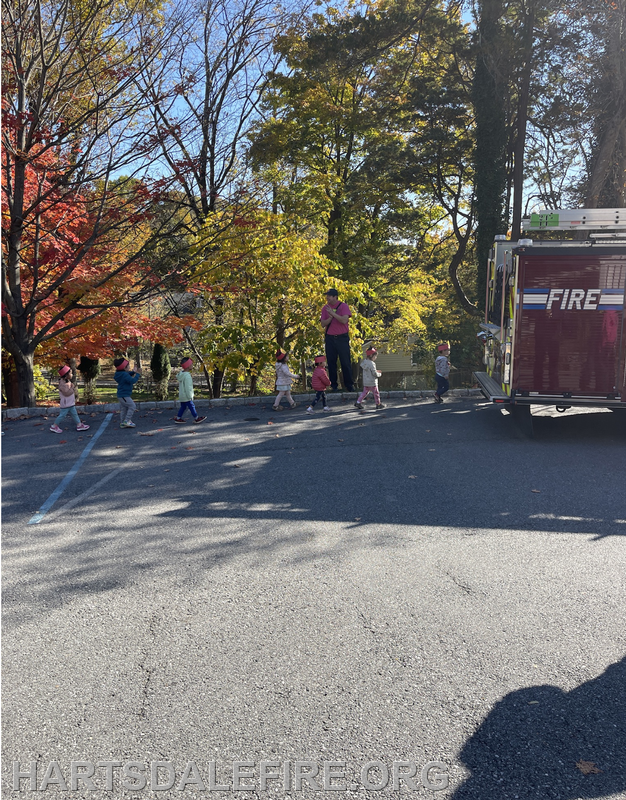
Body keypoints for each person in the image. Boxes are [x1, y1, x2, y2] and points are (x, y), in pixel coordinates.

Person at [321, 288, 355, 392]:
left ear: (335, 297)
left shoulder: (343, 306)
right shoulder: (325, 308)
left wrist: (333, 314)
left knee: (345, 362)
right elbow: (323, 324)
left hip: (342, 337)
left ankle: (349, 385)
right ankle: (333, 385)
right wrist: (330, 317)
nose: (328, 298)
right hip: (330, 338)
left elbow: (344, 320)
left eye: (329, 296)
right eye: (327, 296)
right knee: (331, 362)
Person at [50, 365, 90, 434]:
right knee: (62, 415)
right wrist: (72, 388)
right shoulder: (63, 384)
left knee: (74, 414)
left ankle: (79, 425)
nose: (72, 375)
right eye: (70, 373)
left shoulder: (67, 382)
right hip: (66, 404)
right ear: (66, 375)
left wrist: (71, 386)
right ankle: (54, 426)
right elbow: (67, 393)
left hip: (70, 403)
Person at [174, 357, 206, 423]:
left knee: (183, 407)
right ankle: (196, 418)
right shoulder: (187, 376)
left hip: (182, 395)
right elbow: (188, 387)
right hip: (187, 396)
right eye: (191, 364)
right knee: (191, 406)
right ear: (188, 366)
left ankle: (178, 418)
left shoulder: (181, 374)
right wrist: (190, 396)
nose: (192, 365)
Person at [113, 357, 141, 427]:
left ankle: (122, 422)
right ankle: (127, 420)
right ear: (124, 368)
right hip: (124, 395)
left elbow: (127, 375)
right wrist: (137, 374)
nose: (129, 367)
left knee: (124, 409)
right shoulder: (124, 374)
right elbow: (132, 381)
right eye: (128, 366)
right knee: (132, 406)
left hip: (121, 395)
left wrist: (134, 372)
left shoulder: (120, 373)